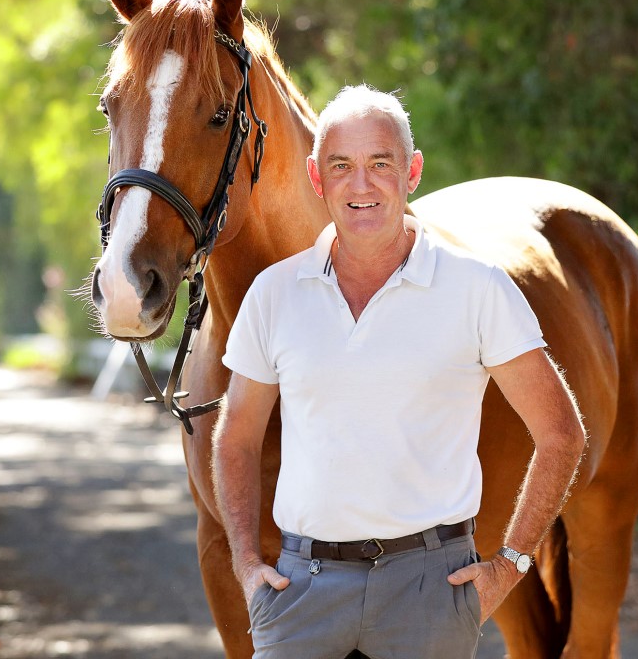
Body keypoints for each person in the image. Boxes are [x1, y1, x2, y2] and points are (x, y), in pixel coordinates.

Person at [212, 85, 586, 659]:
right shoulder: (274, 295)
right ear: (317, 178)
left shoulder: (477, 288)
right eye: (341, 166)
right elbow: (234, 438)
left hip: (429, 590)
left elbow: (562, 433)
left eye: (380, 164)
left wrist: (509, 564)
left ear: (411, 172)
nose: (361, 185)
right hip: (300, 593)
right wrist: (245, 563)